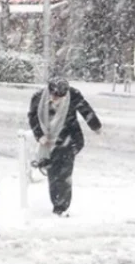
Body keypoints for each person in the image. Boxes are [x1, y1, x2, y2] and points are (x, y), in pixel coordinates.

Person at [28, 77, 101, 217]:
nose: (57, 99)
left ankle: (62, 206)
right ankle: (57, 204)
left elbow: (85, 110)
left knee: (65, 173)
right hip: (49, 142)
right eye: (55, 95)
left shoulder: (72, 95)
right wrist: (40, 135)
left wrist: (96, 126)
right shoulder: (38, 98)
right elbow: (33, 117)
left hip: (69, 138)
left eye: (60, 96)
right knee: (53, 174)